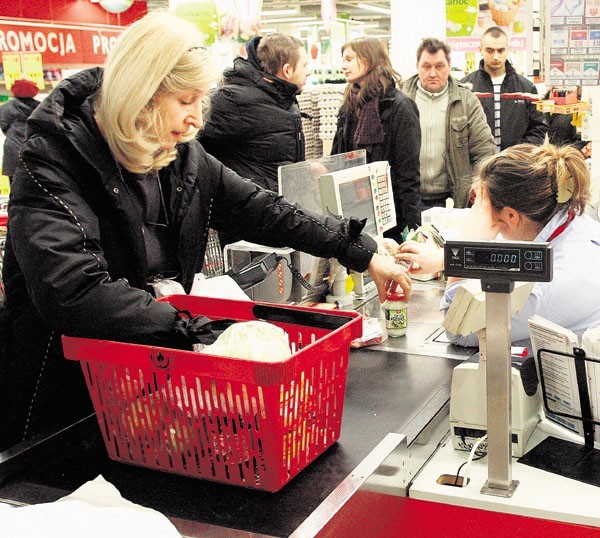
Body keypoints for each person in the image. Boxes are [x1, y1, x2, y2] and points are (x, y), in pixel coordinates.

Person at [1, 12, 411, 451]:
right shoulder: (54, 156)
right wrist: (196, 330)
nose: (198, 118)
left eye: (203, 100)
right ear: (140, 94)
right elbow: (73, 291)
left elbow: (266, 210)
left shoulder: (179, 154)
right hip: (60, 400)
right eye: (185, 100)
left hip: (142, 390)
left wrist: (362, 252)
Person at [399, 140, 600, 346]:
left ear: (511, 216)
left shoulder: (550, 287)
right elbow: (511, 250)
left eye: (481, 206)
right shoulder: (565, 219)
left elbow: (460, 329)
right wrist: (445, 259)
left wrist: (465, 244)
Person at [331, 37, 422, 239]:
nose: (343, 65)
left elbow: (408, 176)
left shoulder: (399, 106)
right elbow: (337, 158)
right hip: (353, 214)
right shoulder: (349, 106)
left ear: (369, 58)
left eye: (349, 59)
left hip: (391, 218)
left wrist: (411, 235)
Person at [199, 33, 309, 193]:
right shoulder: (233, 101)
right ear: (287, 70)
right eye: (304, 65)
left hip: (278, 209)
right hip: (249, 211)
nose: (309, 71)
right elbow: (188, 145)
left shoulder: (283, 98)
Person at [403, 37, 496, 211]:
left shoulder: (466, 101)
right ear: (417, 66)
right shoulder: (401, 100)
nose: (432, 73)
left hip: (452, 201)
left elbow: (484, 150)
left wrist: (478, 183)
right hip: (408, 199)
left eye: (439, 66)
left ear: (449, 66)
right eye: (426, 66)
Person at [461, 26, 547, 151]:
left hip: (515, 165)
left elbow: (539, 129)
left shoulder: (526, 88)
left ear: (508, 50)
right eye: (490, 51)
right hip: (477, 164)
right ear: (480, 50)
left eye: (501, 50)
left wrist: (519, 155)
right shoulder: (466, 87)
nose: (495, 57)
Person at [0, 79, 40, 183]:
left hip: (13, 147)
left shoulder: (6, 107)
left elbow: (4, 125)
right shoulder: (41, 107)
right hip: (35, 147)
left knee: (14, 181)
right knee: (35, 180)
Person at [543, 86, 591, 158]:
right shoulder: (540, 105)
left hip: (564, 162)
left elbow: (582, 142)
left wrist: (561, 155)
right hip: (538, 160)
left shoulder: (579, 111)